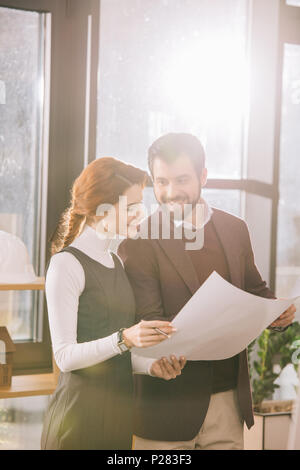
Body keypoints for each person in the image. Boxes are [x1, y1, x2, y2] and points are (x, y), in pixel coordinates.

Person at [118, 133, 296, 450]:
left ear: (203, 176)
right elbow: (148, 318)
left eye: (182, 179)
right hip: (166, 407)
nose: (171, 192)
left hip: (228, 401)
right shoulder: (139, 239)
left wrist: (275, 314)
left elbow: (256, 291)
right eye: (161, 182)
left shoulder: (234, 229)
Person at [41, 156, 186, 450]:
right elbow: (65, 357)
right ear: (99, 207)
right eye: (130, 207)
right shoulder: (66, 265)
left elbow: (111, 352)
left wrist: (150, 366)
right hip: (77, 422)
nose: (139, 214)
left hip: (118, 421)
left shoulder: (116, 262)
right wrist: (125, 338)